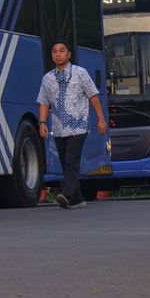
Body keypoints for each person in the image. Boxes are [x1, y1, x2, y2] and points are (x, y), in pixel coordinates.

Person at [37, 40, 106, 209]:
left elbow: (93, 96)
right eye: (54, 51)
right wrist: (42, 122)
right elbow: (44, 102)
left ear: (69, 54)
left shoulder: (80, 73)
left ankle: (66, 194)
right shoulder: (47, 78)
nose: (58, 54)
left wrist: (101, 119)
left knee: (71, 160)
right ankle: (78, 198)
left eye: (62, 51)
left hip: (78, 125)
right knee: (65, 162)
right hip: (59, 128)